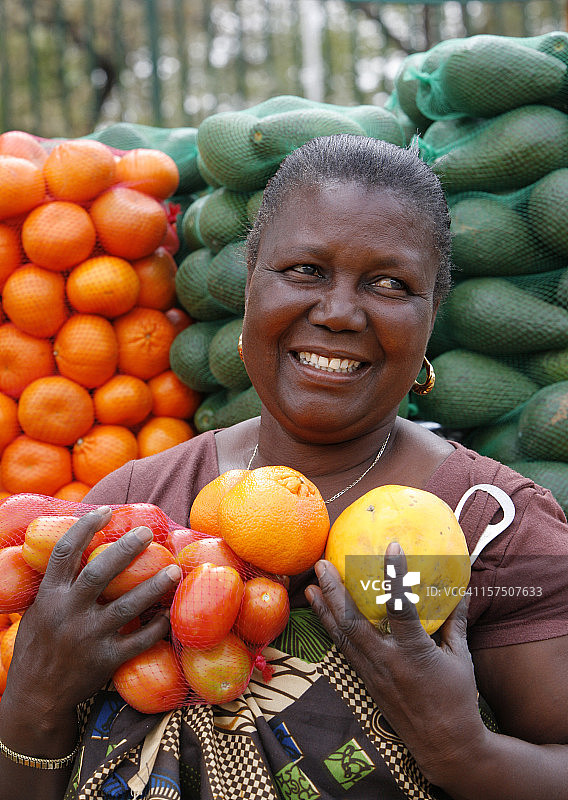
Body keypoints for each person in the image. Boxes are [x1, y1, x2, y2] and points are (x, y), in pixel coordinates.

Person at [1, 134, 568, 800]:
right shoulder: (134, 509)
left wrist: (467, 753)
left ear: (431, 317)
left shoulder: (492, 526)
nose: (337, 312)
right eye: (305, 270)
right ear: (251, 284)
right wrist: (34, 704)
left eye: (390, 284)